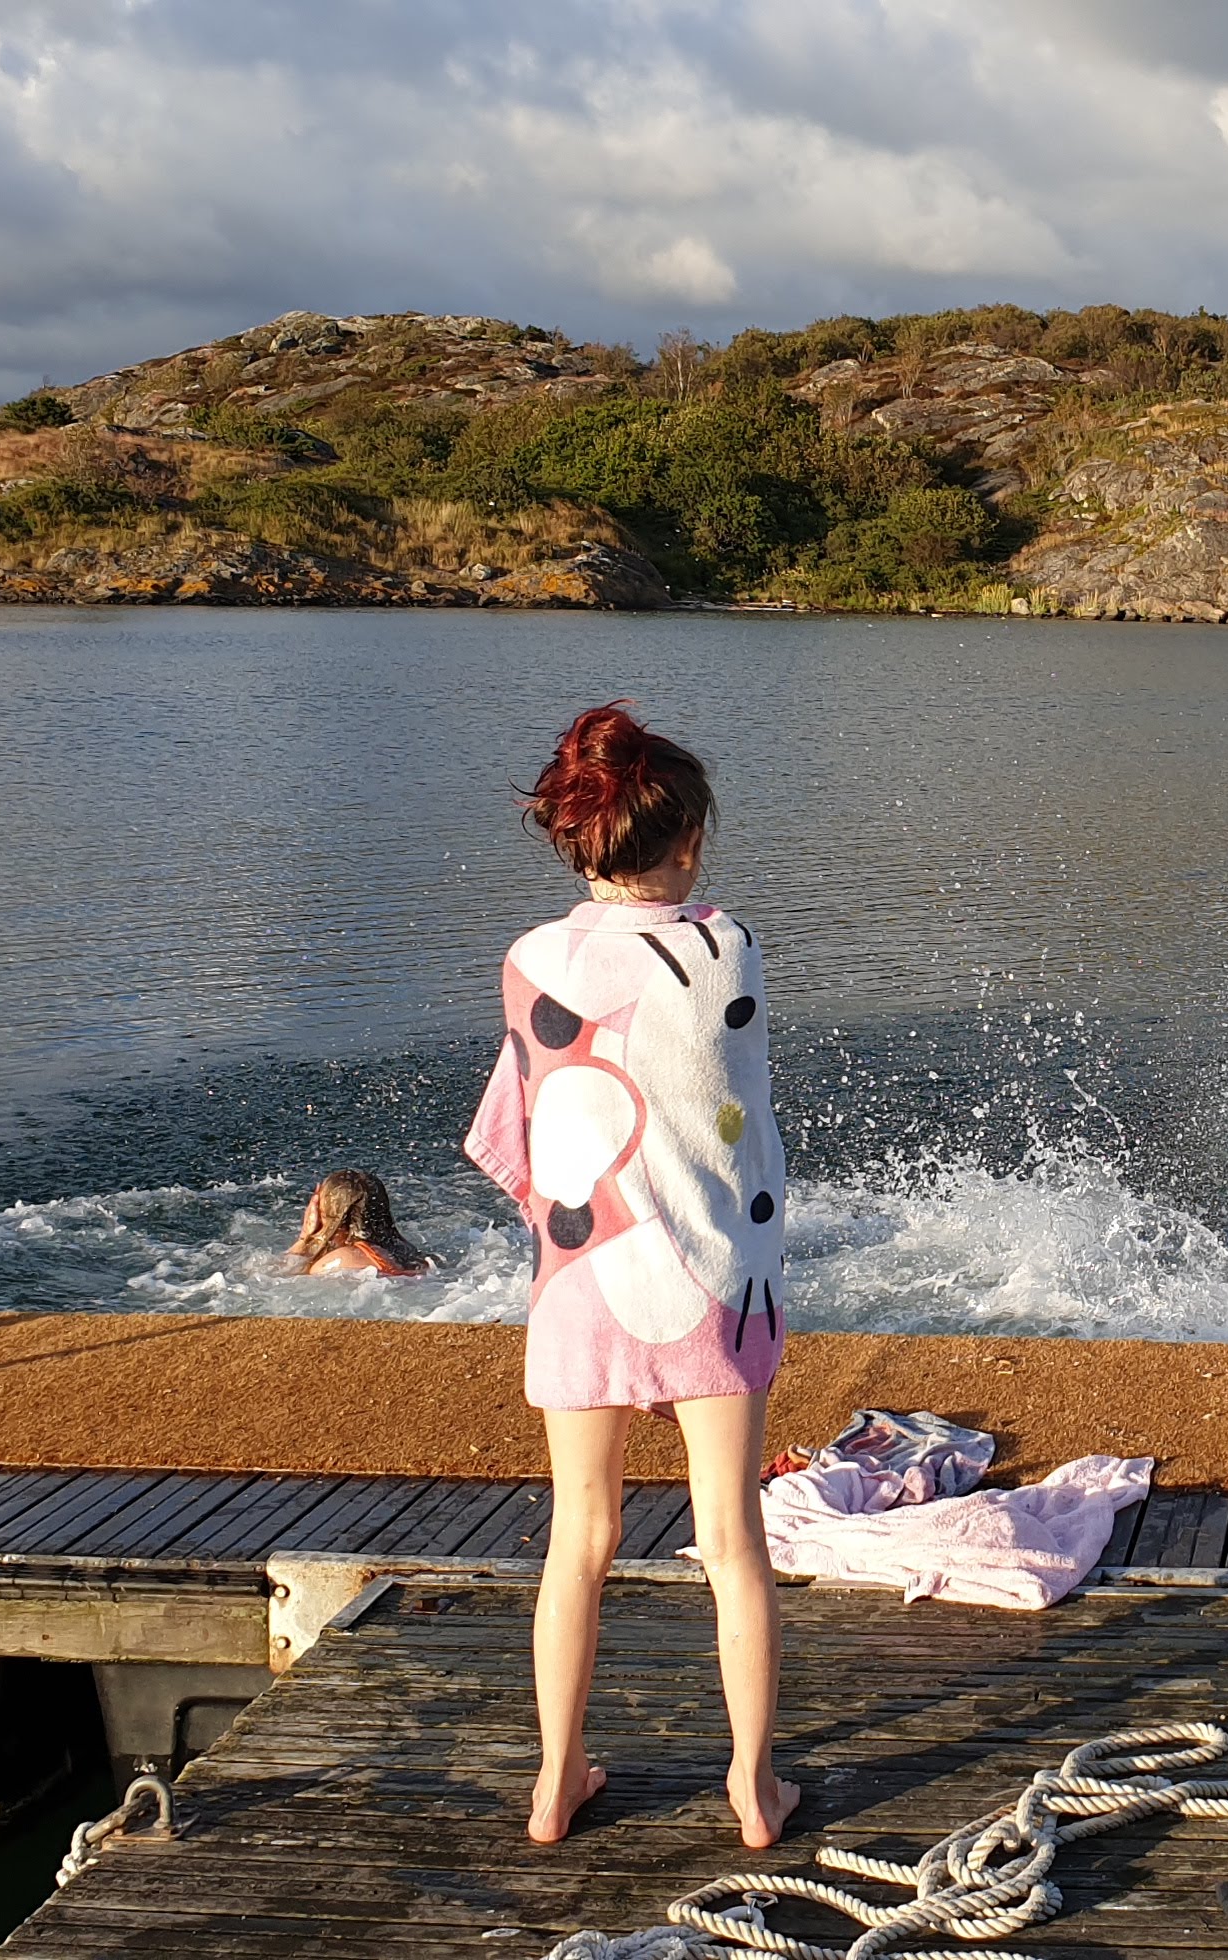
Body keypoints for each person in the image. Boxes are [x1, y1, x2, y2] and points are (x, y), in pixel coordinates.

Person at [461, 701, 798, 1850]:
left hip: (579, 1287)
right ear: (690, 840)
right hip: (714, 1286)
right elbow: (725, 1114)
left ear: (576, 839)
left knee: (580, 1540)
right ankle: (753, 1788)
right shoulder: (725, 947)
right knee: (732, 1541)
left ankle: (556, 1781)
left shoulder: (530, 960)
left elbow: (532, 1110)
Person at [289, 1168, 431, 1278]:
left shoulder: (340, 1260)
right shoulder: (411, 1255)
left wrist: (304, 1239)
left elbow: (285, 1279)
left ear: (325, 1216)